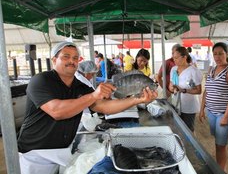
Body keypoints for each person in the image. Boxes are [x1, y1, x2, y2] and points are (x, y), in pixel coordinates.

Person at [17, 41, 157, 174]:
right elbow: (57, 111)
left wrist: (136, 99)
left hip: (62, 151)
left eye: (75, 58)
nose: (72, 61)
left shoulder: (80, 86)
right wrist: (93, 95)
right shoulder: (41, 80)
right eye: (66, 56)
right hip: (34, 154)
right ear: (54, 60)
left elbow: (104, 106)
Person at [199, 42, 228, 171]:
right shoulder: (211, 69)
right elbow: (207, 91)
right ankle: (218, 167)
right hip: (211, 111)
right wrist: (202, 109)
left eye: (220, 53)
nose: (217, 56)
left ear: (226, 54)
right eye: (215, 54)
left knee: (221, 145)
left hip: (224, 113)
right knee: (217, 141)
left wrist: (226, 116)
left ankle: (219, 170)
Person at [168, 46, 203, 132]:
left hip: (188, 107)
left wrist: (184, 90)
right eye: (173, 58)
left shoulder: (193, 71)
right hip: (176, 104)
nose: (174, 60)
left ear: (184, 57)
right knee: (177, 129)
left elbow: (198, 90)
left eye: (176, 58)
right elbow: (170, 85)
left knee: (188, 130)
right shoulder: (174, 69)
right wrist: (172, 88)